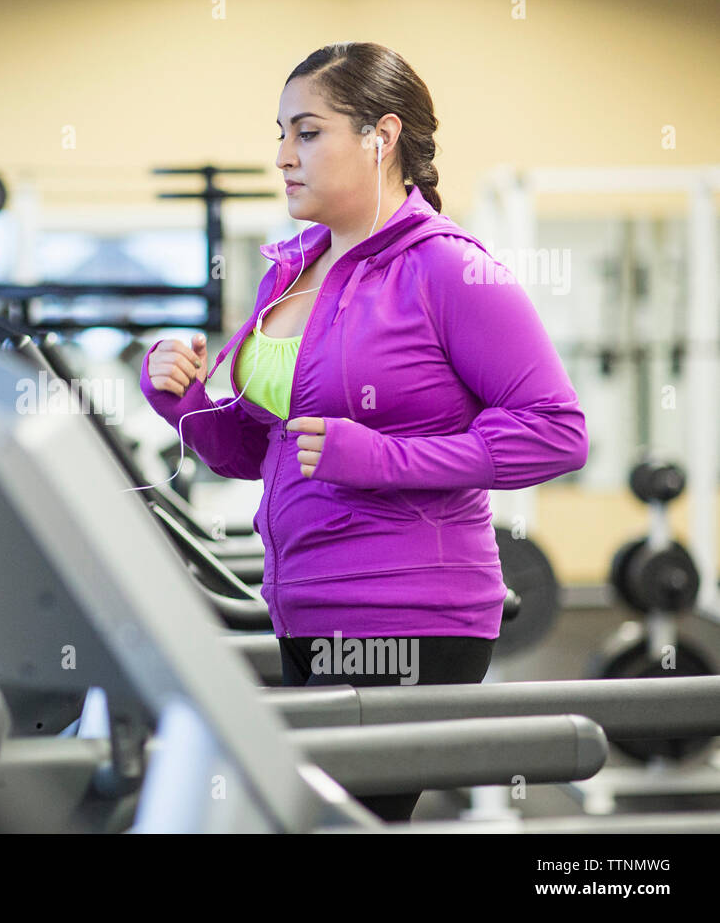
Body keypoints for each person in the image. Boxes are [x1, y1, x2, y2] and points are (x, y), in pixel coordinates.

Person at [137, 42, 589, 822]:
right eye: (279, 133)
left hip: (407, 614)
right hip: (302, 603)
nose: (282, 156)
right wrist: (178, 400)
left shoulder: (447, 270)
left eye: (307, 133)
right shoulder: (295, 272)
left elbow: (557, 432)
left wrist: (383, 459)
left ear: (381, 136)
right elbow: (259, 452)